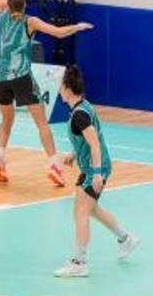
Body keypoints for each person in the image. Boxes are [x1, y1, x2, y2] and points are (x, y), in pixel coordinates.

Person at [0, 0, 93, 185]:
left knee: (6, 121)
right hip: (21, 77)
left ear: (8, 5)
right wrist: (78, 27)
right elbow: (59, 33)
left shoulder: (1, 12)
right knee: (42, 123)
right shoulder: (30, 21)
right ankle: (53, 165)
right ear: (24, 7)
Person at [53, 65, 139, 277]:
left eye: (60, 86)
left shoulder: (79, 115)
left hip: (95, 168)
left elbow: (94, 144)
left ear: (67, 88)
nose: (58, 90)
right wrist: (74, 154)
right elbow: (88, 139)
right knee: (90, 209)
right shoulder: (83, 106)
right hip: (93, 166)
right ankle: (125, 238)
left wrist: (98, 173)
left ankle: (80, 262)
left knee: (80, 212)